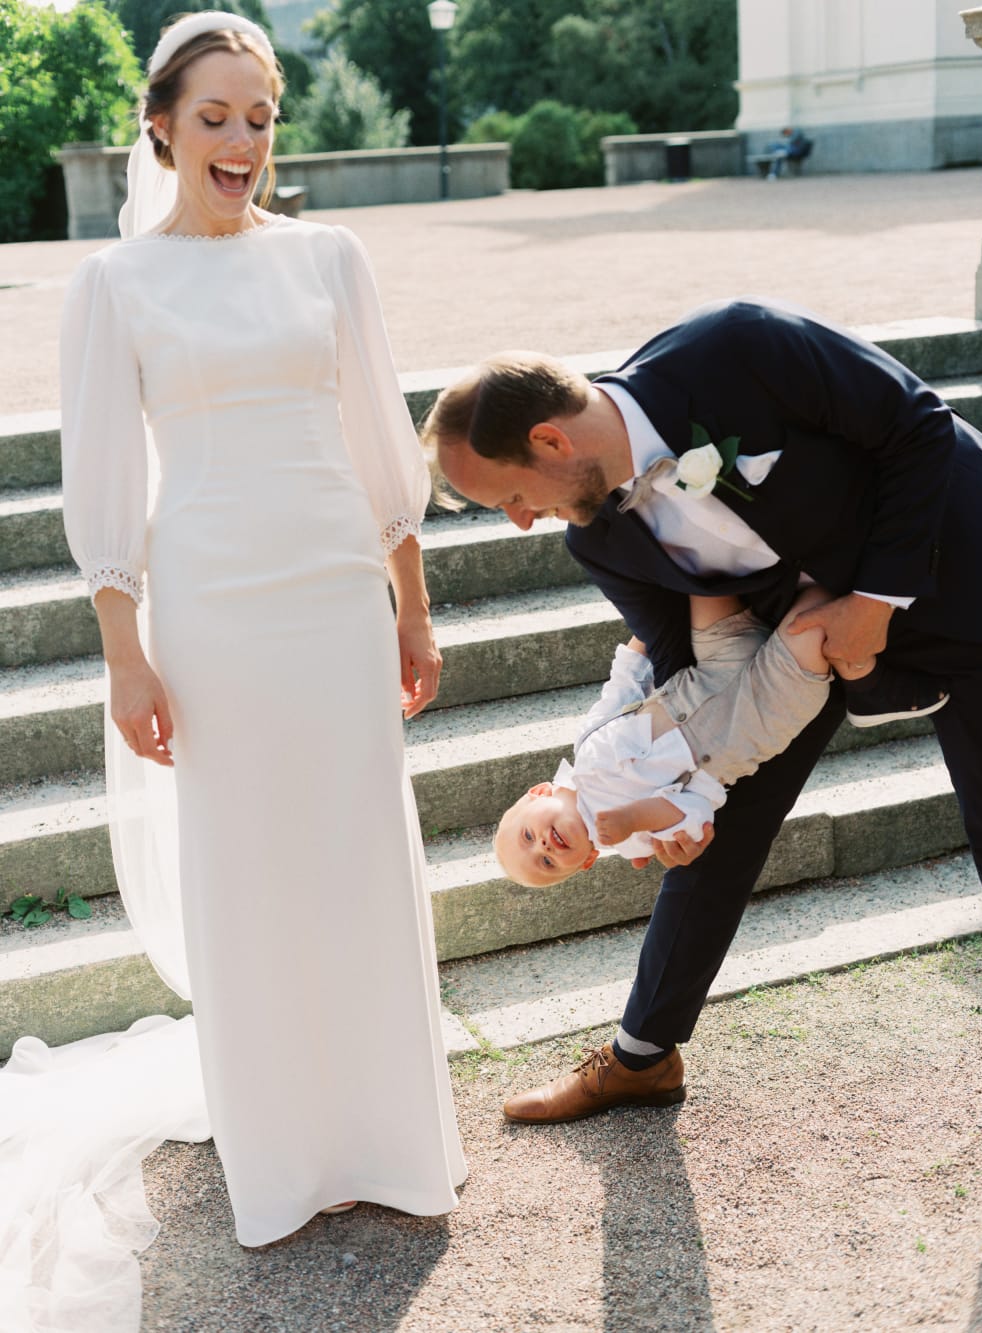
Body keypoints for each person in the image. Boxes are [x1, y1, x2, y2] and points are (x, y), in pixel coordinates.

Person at [2, 12, 465, 1328]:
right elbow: (98, 482)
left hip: (331, 595)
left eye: (259, 118)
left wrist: (411, 608)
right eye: (215, 119)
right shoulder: (114, 286)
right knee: (250, 868)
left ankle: (390, 1142)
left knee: (359, 851)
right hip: (209, 606)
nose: (242, 143)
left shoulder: (331, 256)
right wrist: (124, 653)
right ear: (161, 125)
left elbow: (382, 444)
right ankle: (286, 1163)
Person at [423, 298, 982, 1126]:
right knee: (714, 841)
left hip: (966, 569)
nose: (519, 520)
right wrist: (682, 798)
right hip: (784, 662)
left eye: (513, 494)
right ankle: (642, 1058)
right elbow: (676, 661)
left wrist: (874, 600)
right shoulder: (597, 538)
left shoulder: (736, 346)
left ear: (551, 439)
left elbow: (917, 422)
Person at [496, 584, 948, 888]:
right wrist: (636, 818)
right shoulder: (629, 841)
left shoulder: (585, 745)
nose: (544, 846)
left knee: (704, 580)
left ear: (539, 794)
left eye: (528, 836)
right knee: (816, 610)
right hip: (755, 717)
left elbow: (623, 686)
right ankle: (869, 679)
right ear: (585, 863)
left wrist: (644, 629)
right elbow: (696, 808)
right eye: (548, 864)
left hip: (710, 669)